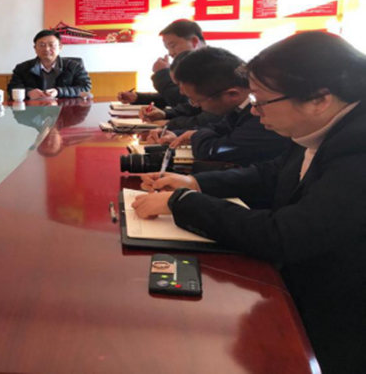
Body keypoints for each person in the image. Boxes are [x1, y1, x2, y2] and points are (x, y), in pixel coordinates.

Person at [132, 31, 366, 373]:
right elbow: (273, 173)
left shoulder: (358, 148)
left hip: (341, 319)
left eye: (262, 101)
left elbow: (284, 235)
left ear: (319, 99)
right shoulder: (320, 128)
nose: (254, 111)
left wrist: (182, 202)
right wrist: (195, 182)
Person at [146, 46, 290, 167]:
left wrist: (194, 136)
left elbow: (219, 151)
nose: (196, 106)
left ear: (232, 95)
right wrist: (177, 135)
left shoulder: (263, 116)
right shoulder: (239, 106)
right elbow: (218, 128)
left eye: (197, 101)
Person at [117, 19, 206, 107]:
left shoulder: (210, 66)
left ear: (194, 41)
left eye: (173, 46)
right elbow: (173, 97)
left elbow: (184, 103)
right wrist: (138, 98)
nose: (170, 53)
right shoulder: (194, 66)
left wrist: (162, 74)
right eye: (168, 48)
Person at [8, 30, 91, 100]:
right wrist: (28, 93)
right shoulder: (22, 68)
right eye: (42, 45)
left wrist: (59, 92)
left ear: (60, 47)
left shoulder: (74, 66)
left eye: (51, 45)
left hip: (65, 111)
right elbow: (12, 89)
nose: (47, 49)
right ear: (35, 48)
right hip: (34, 111)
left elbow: (85, 88)